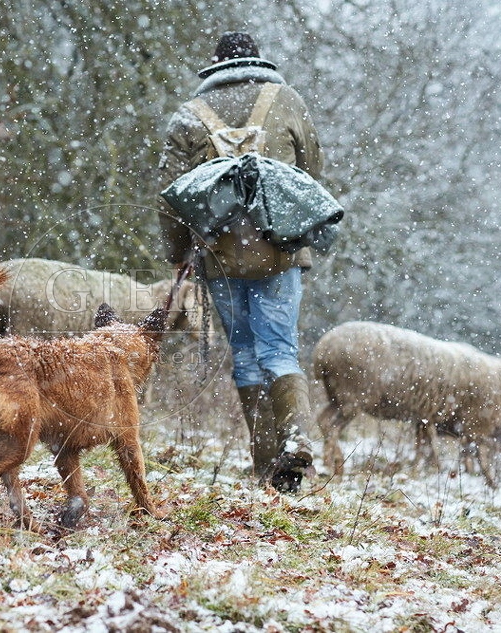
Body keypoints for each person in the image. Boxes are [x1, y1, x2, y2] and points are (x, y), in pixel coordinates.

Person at [158, 32, 324, 492]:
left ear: (214, 64)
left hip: (220, 256)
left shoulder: (189, 115)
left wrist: (177, 254)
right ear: (258, 59)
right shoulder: (287, 100)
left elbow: (170, 198)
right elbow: (312, 173)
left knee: (246, 354)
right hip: (279, 251)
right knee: (280, 350)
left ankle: (268, 467)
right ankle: (297, 437)